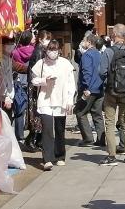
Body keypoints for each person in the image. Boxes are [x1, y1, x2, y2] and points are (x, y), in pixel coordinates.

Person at [30, 39, 76, 170]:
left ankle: (60, 155)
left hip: (61, 100)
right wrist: (44, 80)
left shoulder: (65, 63)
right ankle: (47, 159)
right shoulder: (41, 63)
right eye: (50, 49)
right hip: (45, 100)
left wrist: (70, 100)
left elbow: (71, 83)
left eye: (55, 50)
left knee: (60, 130)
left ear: (59, 50)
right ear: (46, 50)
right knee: (47, 130)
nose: (52, 52)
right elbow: (33, 80)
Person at [102, 24, 125, 166]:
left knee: (109, 123)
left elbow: (101, 71)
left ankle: (111, 156)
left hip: (111, 91)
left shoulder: (108, 52)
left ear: (114, 34)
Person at [75, 33, 105, 148]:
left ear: (89, 42)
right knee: (97, 114)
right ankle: (101, 139)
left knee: (80, 112)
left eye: (84, 40)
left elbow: (86, 72)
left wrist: (86, 87)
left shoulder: (87, 55)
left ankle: (88, 138)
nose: (83, 42)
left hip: (89, 89)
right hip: (99, 88)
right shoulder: (99, 54)